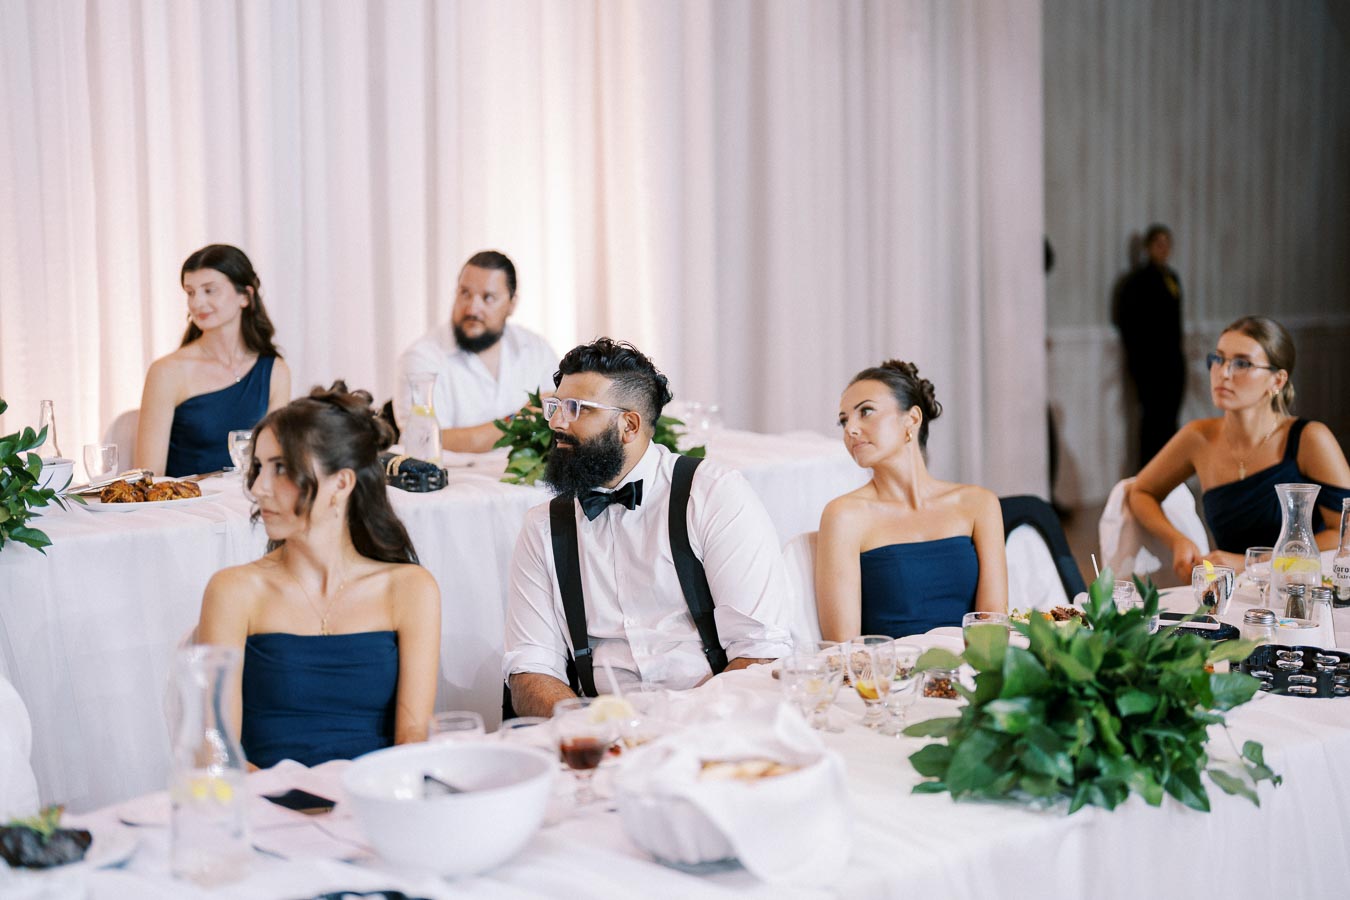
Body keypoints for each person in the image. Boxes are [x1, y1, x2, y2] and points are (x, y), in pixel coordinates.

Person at [503, 338, 792, 717]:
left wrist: (671, 731)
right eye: (555, 406)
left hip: (716, 727)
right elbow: (530, 669)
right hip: (602, 738)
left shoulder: (714, 495)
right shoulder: (543, 527)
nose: (557, 422)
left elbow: (760, 653)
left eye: (576, 409)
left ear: (629, 425)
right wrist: (600, 735)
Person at [196, 384, 440, 769]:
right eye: (258, 468)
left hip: (372, 806)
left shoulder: (410, 589)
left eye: (282, 469)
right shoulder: (234, 591)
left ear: (341, 483)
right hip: (267, 811)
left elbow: (412, 740)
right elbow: (218, 754)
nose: (259, 488)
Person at [1128, 316, 1350, 580]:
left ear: (1277, 381)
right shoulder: (1198, 437)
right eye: (1219, 359)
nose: (1223, 373)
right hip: (1233, 593)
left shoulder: (1309, 438)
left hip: (1300, 591)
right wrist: (1177, 540)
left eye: (1242, 363)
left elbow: (1344, 532)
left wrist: (1252, 562)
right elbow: (1141, 491)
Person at [815, 361, 1008, 641]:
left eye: (865, 412)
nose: (850, 429)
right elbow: (843, 646)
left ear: (912, 419)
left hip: (971, 674)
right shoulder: (844, 515)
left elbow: (993, 625)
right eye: (844, 420)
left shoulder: (979, 504)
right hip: (891, 680)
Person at [135, 244, 292, 477]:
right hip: (184, 509)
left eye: (209, 290)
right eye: (190, 292)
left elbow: (277, 465)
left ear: (245, 297)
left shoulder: (275, 371)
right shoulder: (167, 371)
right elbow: (149, 477)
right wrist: (217, 482)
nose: (197, 303)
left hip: (251, 506)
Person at [394, 250, 557, 452]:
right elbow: (425, 441)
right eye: (465, 293)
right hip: (454, 480)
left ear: (512, 304)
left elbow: (559, 419)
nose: (472, 309)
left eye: (488, 298)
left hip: (525, 482)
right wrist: (519, 421)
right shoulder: (422, 358)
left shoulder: (536, 350)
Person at [1116, 224, 1185, 468]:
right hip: (1150, 366)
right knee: (1152, 423)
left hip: (1173, 362)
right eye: (1158, 243)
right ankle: (1150, 473)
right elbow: (1128, 324)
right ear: (1148, 248)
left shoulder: (1172, 277)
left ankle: (1170, 472)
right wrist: (1141, 363)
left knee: (1170, 423)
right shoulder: (1137, 282)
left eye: (1167, 244)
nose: (1163, 249)